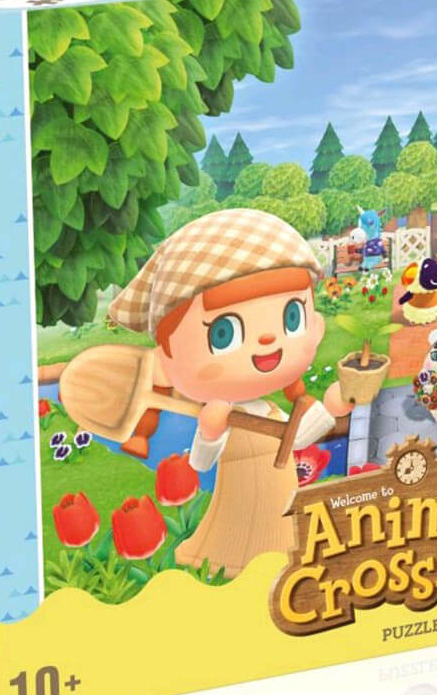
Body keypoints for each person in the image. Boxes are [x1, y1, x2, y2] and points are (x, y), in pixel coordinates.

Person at [108, 208, 353, 577]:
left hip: (279, 496)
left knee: (283, 540)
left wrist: (330, 410)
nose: (268, 340)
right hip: (239, 504)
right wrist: (209, 432)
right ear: (167, 357)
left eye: (292, 318)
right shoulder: (224, 415)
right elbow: (201, 464)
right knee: (238, 544)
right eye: (223, 334)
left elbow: (295, 437)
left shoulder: (269, 410)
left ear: (314, 327)